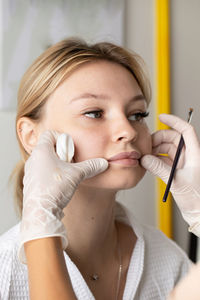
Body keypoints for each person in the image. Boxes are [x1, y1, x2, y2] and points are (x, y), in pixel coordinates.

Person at [0, 38, 199, 300]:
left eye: (137, 115)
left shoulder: (168, 259)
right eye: (94, 113)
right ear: (31, 136)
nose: (128, 131)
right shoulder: (5, 273)